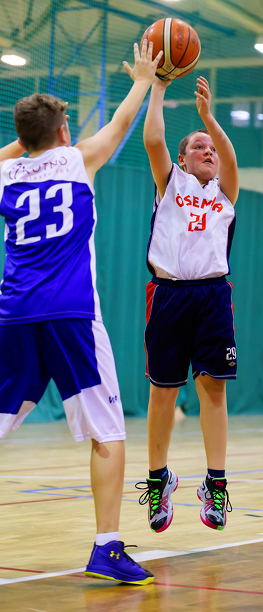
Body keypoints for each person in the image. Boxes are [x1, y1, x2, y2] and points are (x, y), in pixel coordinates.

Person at [0, 40, 160, 585]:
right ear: (64, 131)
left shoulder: (6, 175)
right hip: (70, 315)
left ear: (22, 137)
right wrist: (143, 79)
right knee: (108, 432)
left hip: (13, 315)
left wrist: (25, 142)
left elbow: (19, 149)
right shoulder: (78, 159)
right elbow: (122, 121)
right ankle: (106, 548)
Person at [136, 74, 238, 534]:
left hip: (213, 296)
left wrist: (209, 119)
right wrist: (157, 86)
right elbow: (153, 138)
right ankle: (159, 479)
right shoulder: (170, 182)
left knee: (213, 389)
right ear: (182, 159)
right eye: (199, 146)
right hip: (169, 294)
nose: (209, 151)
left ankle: (215, 484)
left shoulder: (225, 193)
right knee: (164, 391)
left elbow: (229, 155)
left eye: (211, 148)